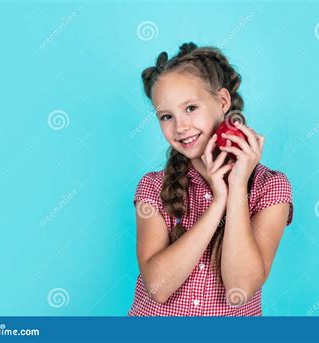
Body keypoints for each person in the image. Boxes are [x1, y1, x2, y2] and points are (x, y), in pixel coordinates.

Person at [128, 42, 293, 316]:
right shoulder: (154, 186)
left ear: (222, 101)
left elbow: (240, 288)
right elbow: (158, 288)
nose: (180, 127)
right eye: (166, 116)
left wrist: (237, 188)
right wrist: (218, 203)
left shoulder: (270, 186)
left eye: (191, 108)